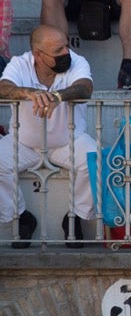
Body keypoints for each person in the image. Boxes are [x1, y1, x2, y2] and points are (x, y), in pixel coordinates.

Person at [0, 27, 95, 247]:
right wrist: (28, 93)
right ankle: (22, 217)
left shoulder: (77, 61)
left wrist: (58, 97)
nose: (66, 53)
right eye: (58, 50)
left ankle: (75, 218)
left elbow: (85, 88)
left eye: (66, 46)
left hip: (70, 140)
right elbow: (3, 87)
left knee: (95, 160)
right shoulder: (20, 63)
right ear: (38, 54)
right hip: (23, 142)